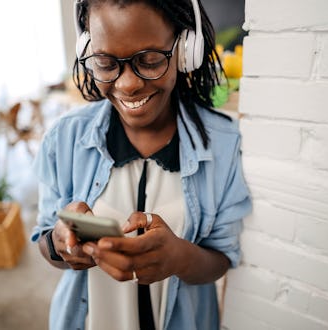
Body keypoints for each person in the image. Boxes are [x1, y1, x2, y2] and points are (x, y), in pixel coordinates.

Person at [31, 0, 251, 329]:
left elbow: (221, 259)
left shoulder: (224, 143)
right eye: (105, 64)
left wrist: (179, 256)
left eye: (149, 61)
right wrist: (60, 244)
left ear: (185, 50)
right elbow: (45, 240)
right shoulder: (64, 139)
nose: (128, 84)